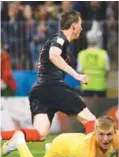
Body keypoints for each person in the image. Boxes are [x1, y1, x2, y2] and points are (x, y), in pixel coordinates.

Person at [1, 9, 96, 142]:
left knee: (40, 134)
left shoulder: (59, 41)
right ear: (73, 25)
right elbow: (53, 55)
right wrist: (76, 75)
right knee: (91, 120)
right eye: (80, 24)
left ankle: (1, 136)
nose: (81, 28)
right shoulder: (59, 38)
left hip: (39, 90)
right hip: (54, 87)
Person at [77, 20, 110, 97]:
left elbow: (80, 72)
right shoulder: (103, 54)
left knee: (88, 108)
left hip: (86, 87)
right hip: (101, 87)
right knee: (102, 108)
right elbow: (107, 71)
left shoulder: (82, 54)